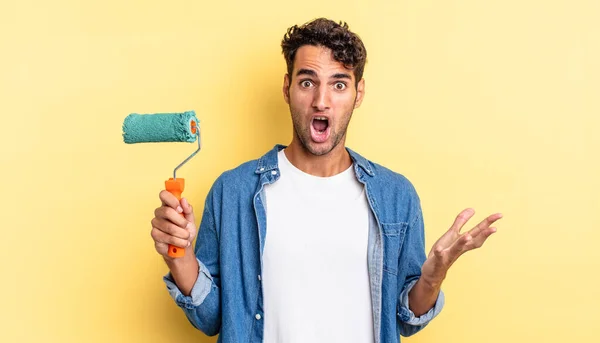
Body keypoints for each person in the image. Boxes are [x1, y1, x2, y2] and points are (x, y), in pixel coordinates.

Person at [150, 17, 502, 343]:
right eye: (307, 82)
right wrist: (178, 258)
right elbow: (211, 319)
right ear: (287, 88)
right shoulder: (233, 191)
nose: (322, 101)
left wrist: (432, 278)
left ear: (358, 93)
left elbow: (405, 319)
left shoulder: (396, 196)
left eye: (338, 84)